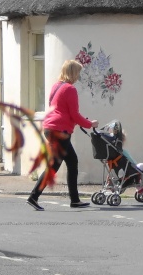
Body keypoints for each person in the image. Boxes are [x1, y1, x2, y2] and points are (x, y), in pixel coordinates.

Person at [27, 59, 96, 211]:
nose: (78, 76)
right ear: (72, 73)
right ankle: (34, 196)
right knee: (54, 166)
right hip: (60, 131)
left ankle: (75, 200)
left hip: (50, 128)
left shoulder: (56, 86)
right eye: (77, 72)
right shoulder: (70, 89)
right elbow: (74, 114)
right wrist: (90, 124)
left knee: (72, 162)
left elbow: (60, 110)